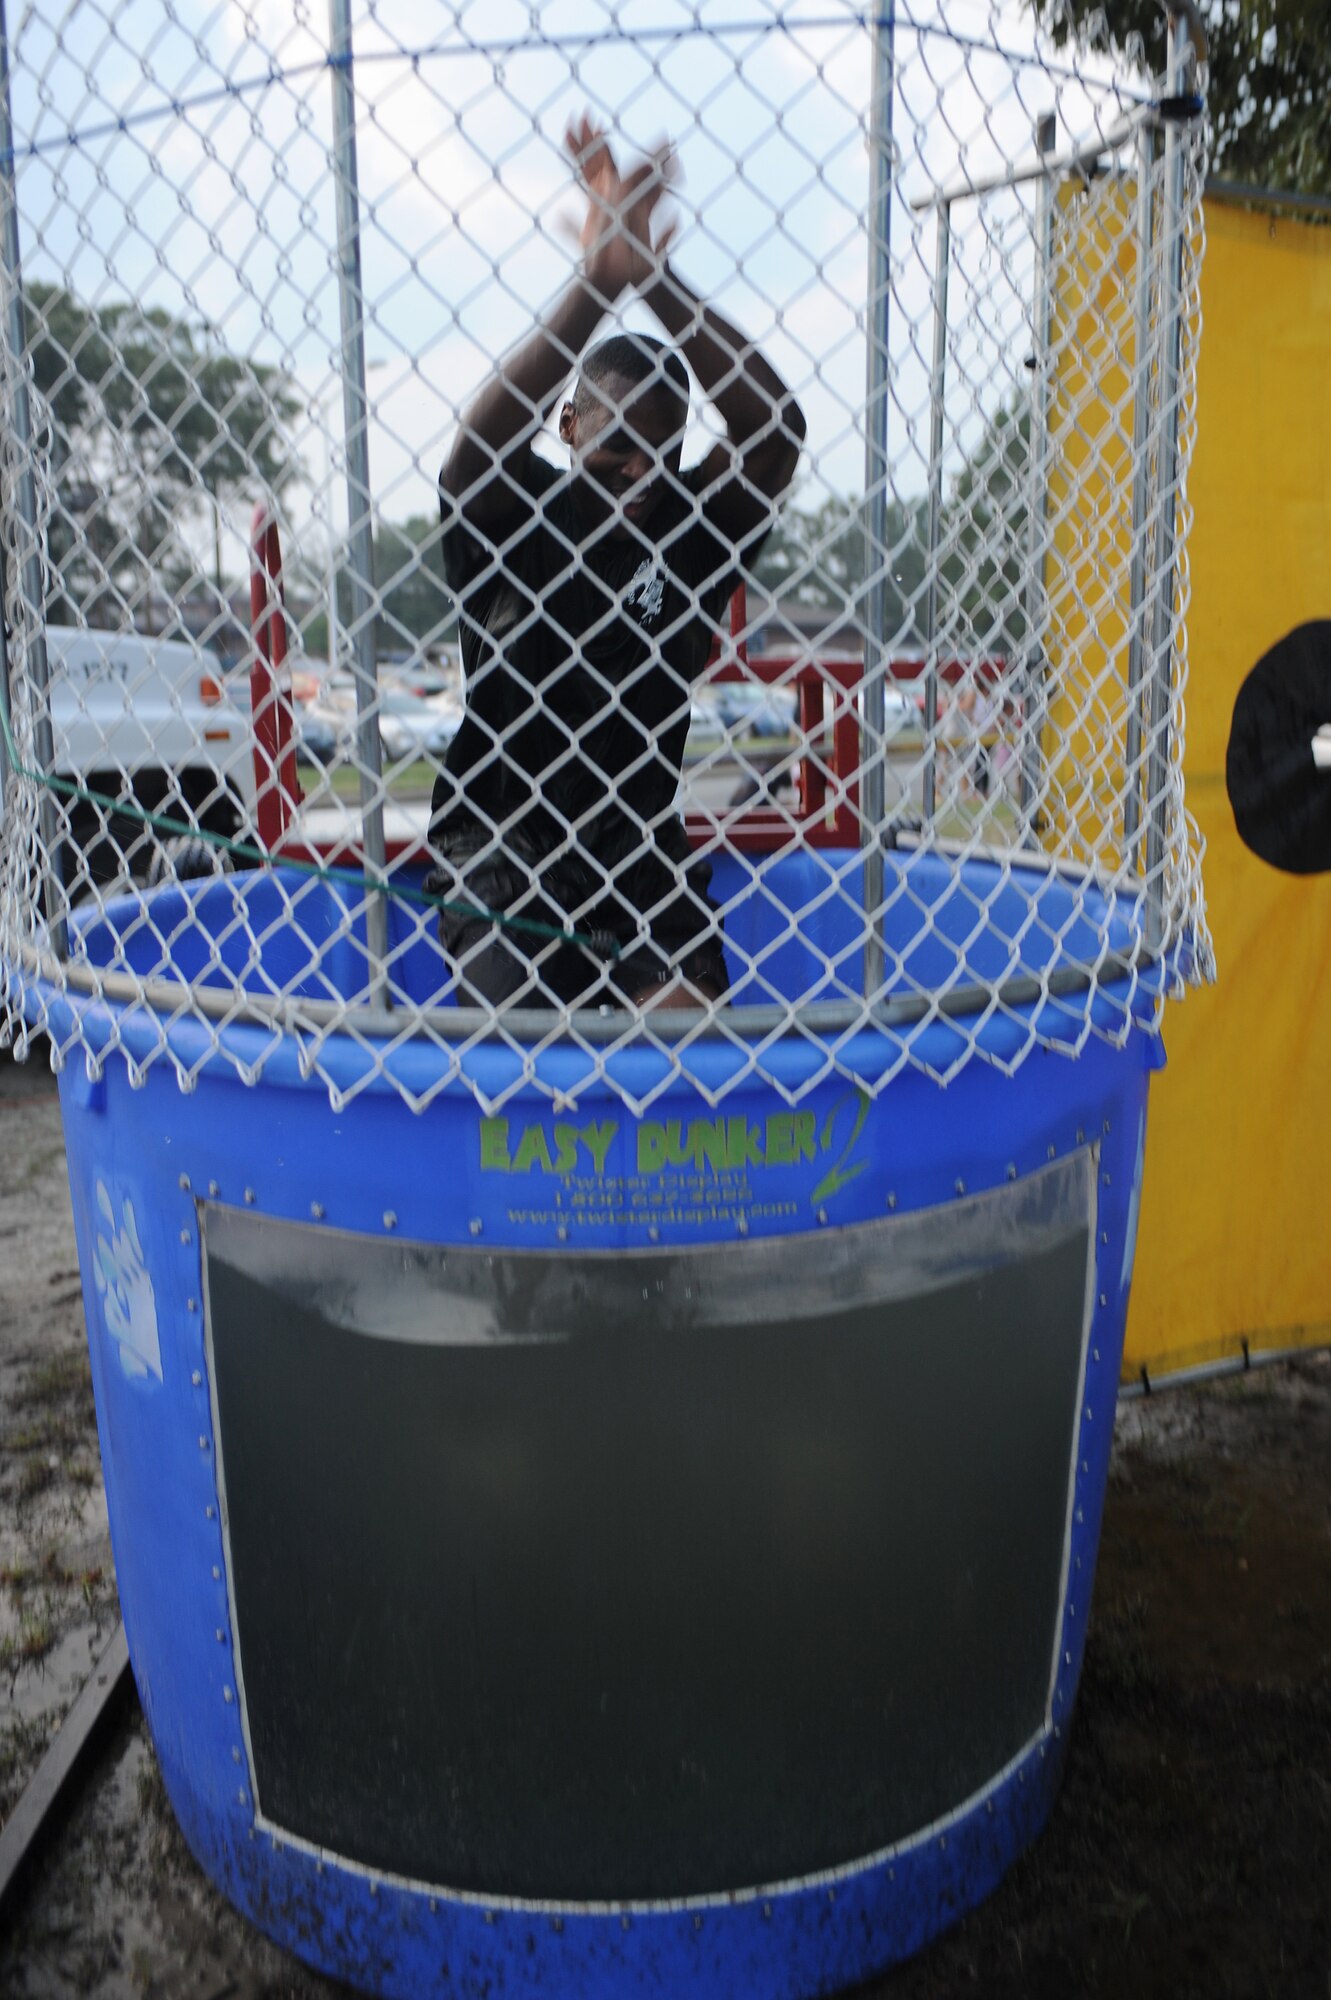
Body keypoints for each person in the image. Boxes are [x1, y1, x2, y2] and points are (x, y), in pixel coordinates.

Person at [428, 117, 805, 1009]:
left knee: (687, 1030)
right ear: (569, 425)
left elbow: (775, 435)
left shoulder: (688, 531)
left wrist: (655, 280)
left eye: (663, 451)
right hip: (501, 840)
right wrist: (595, 288)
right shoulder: (511, 513)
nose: (641, 473)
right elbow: (470, 455)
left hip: (635, 850)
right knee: (524, 1048)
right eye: (620, 444)